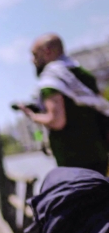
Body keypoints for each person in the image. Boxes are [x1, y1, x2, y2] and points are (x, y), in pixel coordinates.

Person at [15, 34, 109, 174]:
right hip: (100, 152)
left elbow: (56, 120)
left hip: (74, 160)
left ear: (47, 51)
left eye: (35, 55)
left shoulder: (52, 78)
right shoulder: (82, 73)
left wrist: (32, 115)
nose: (33, 60)